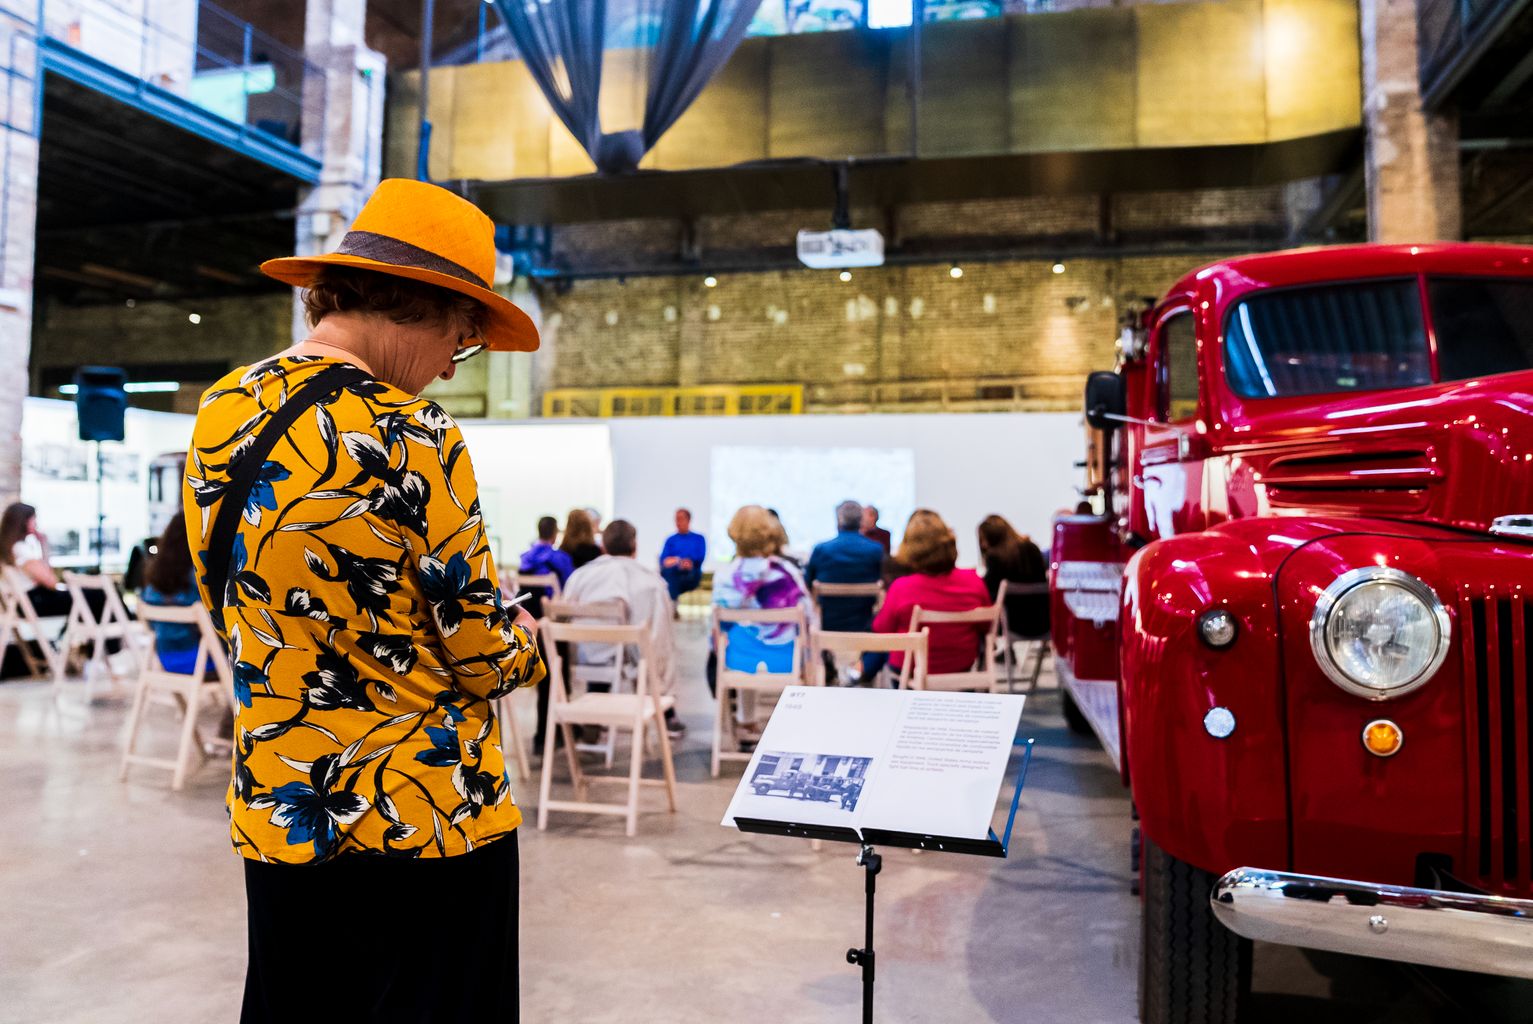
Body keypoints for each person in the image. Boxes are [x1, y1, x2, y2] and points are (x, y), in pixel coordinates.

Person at [182, 178, 546, 1024]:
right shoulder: (413, 434)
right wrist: (527, 638)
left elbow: (229, 593)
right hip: (421, 811)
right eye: (463, 338)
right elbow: (483, 653)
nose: (455, 364)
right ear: (418, 306)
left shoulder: (223, 409)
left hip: (282, 797)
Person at [562, 519, 685, 738]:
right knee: (648, 648)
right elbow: (660, 641)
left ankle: (594, 714)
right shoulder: (650, 582)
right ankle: (667, 714)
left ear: (604, 547)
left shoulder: (580, 577)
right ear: (634, 547)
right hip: (632, 658)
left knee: (601, 644)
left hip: (585, 657)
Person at [873, 510, 992, 679]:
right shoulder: (973, 581)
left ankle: (861, 671)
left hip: (909, 673)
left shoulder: (902, 588)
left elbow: (882, 629)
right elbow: (986, 626)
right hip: (961, 668)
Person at [710, 505, 810, 688]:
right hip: (787, 661)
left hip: (737, 660)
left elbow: (717, 630)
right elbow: (808, 621)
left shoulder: (724, 576)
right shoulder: (788, 574)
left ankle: (741, 713)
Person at [0, 502, 108, 621]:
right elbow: (51, 582)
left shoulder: (9, 549)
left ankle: (94, 636)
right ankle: (117, 633)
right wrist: (44, 545)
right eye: (33, 519)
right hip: (36, 602)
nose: (36, 523)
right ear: (24, 521)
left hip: (25, 604)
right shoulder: (21, 550)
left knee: (90, 597)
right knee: (100, 595)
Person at [804, 500, 884, 632]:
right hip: (865, 624)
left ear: (838, 521)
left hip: (827, 625)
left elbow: (806, 584)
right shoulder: (876, 550)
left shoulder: (821, 550)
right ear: (861, 522)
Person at [140, 511, 203, 674]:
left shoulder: (152, 583)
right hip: (199, 660)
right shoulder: (196, 580)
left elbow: (151, 626)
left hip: (165, 658)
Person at [978, 514, 1050, 637]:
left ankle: (991, 653)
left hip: (1013, 623)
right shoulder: (1032, 548)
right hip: (1044, 621)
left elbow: (986, 590)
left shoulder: (995, 558)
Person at [658, 507, 705, 602]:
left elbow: (699, 558)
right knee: (670, 573)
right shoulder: (670, 540)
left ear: (688, 520)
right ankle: (672, 603)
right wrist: (679, 561)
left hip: (691, 575)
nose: (678, 522)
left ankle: (671, 604)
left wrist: (677, 561)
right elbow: (664, 561)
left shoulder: (699, 539)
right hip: (673, 573)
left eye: (681, 519)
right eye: (676, 519)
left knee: (671, 578)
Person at [519, 515, 574, 590]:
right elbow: (570, 585)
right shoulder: (562, 559)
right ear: (555, 533)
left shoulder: (525, 558)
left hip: (526, 600)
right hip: (553, 599)